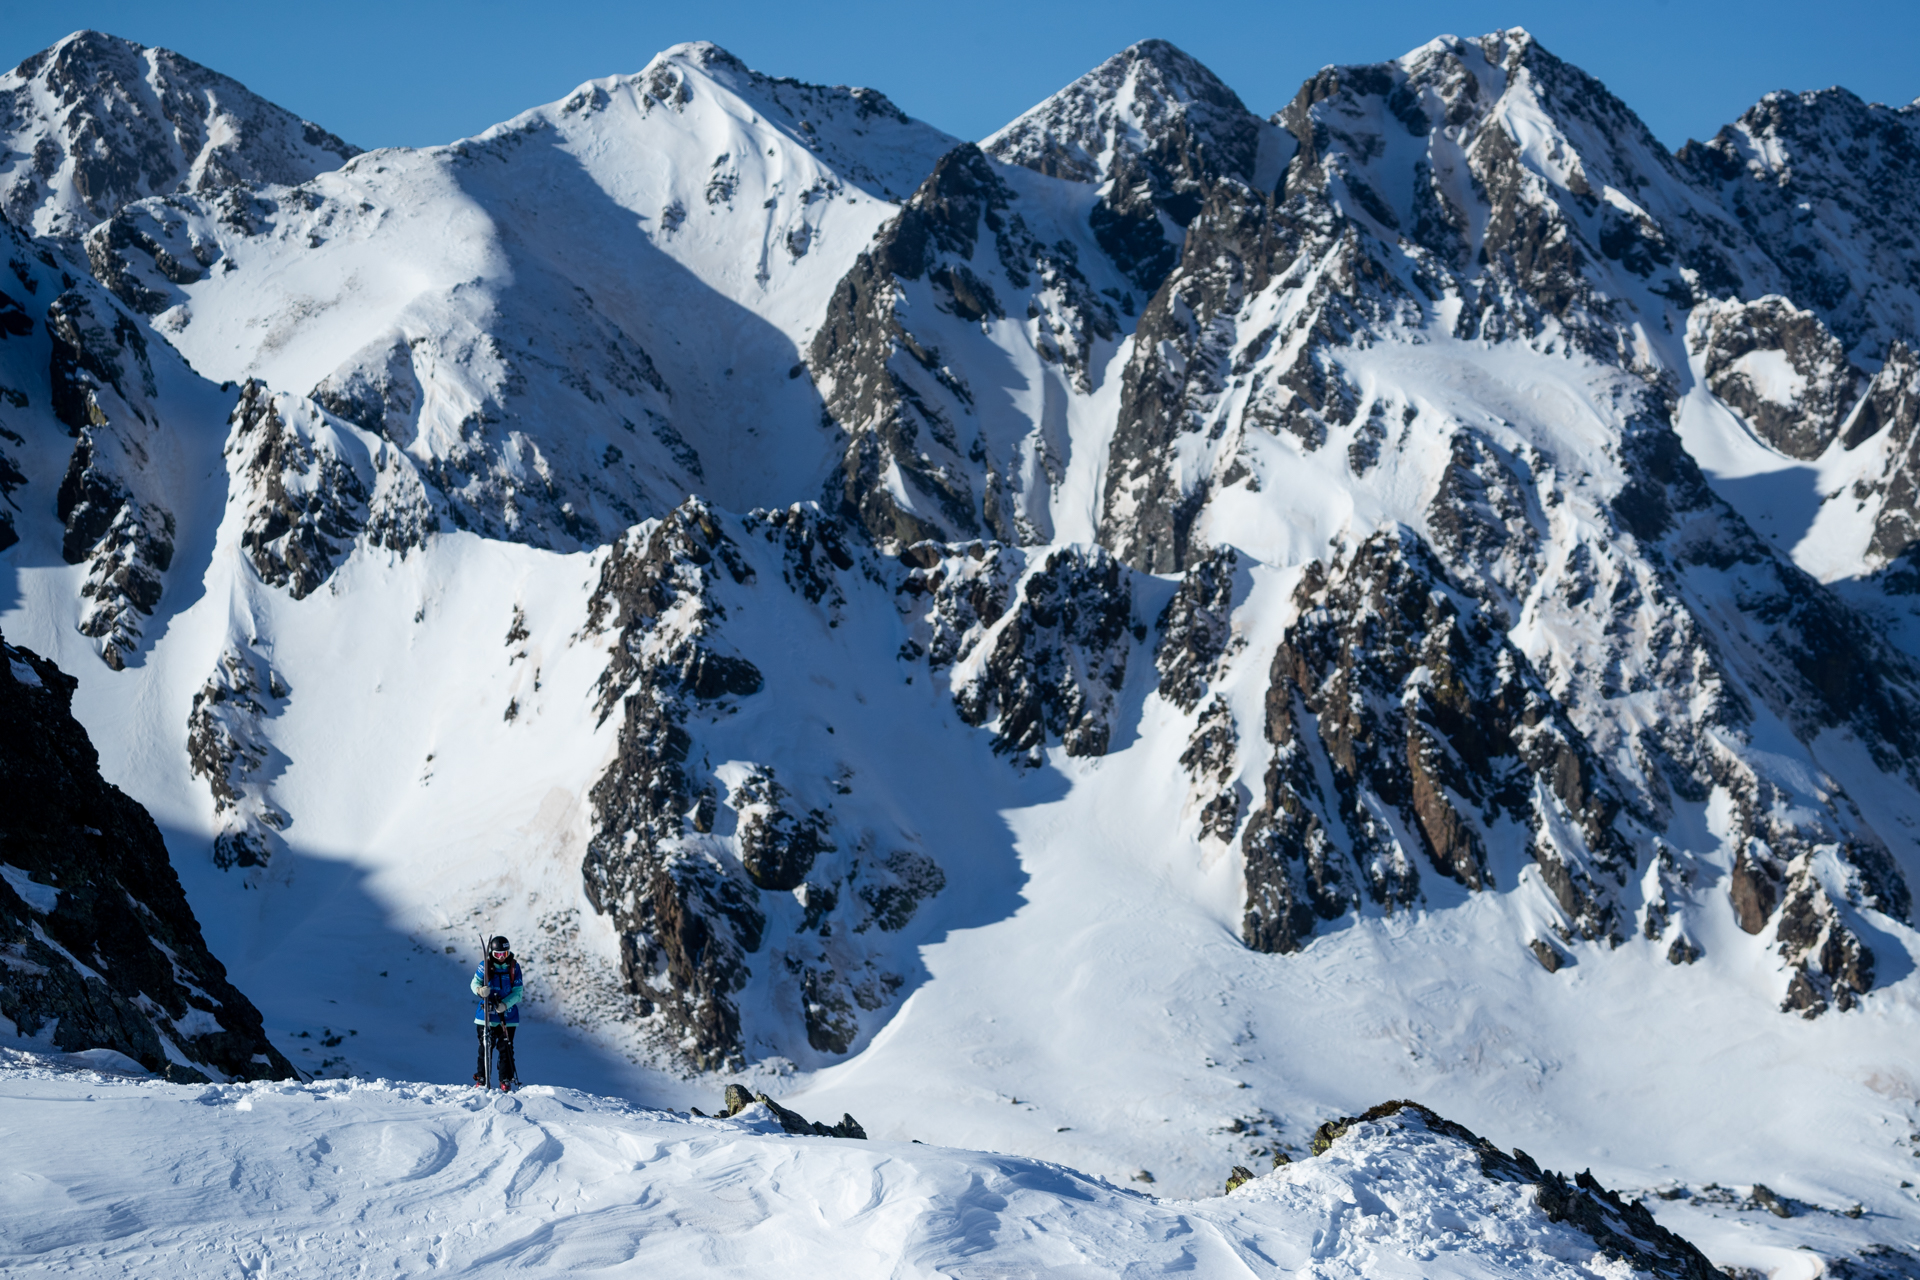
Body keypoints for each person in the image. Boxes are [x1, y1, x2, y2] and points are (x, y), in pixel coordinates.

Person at [471, 935, 524, 1087]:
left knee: (506, 1046)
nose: (501, 958)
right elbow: (474, 983)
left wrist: (505, 1004)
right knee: (485, 1046)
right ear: (492, 954)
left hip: (507, 1016)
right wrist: (480, 990)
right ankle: (482, 1078)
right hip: (486, 1015)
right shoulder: (485, 966)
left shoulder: (514, 967)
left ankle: (505, 1078)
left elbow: (518, 992)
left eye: (504, 954)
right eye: (497, 954)